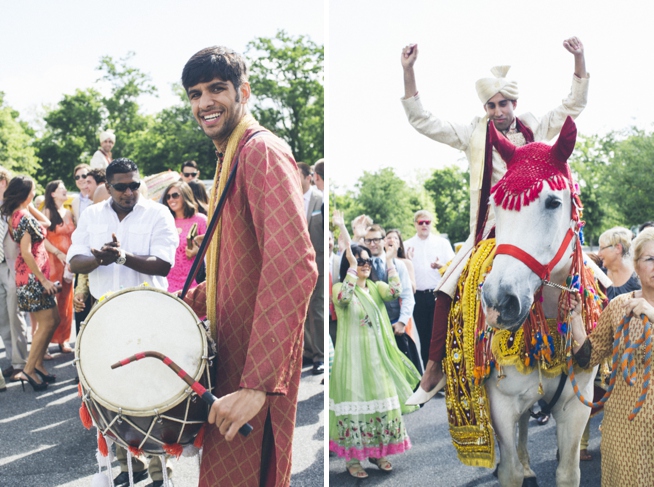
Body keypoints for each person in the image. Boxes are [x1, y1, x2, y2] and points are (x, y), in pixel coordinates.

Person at [401, 37, 590, 401]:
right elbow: (423, 120)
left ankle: (593, 353)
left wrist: (579, 59)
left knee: (587, 271)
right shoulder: (474, 133)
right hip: (490, 229)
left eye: (503, 103)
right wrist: (408, 72)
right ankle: (434, 367)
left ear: (514, 104)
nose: (497, 110)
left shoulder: (536, 125)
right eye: (490, 105)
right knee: (445, 290)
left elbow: (574, 104)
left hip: (539, 227)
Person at [179, 46, 317, 487]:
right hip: (231, 368)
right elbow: (235, 273)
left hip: (255, 378)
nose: (205, 103)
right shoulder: (229, 156)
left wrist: (257, 385)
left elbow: (294, 267)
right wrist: (170, 307)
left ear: (244, 92)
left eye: (217, 89)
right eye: (195, 94)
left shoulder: (261, 152)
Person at [68, 158, 178, 487]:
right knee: (110, 394)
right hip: (106, 317)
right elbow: (75, 261)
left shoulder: (158, 213)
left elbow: (164, 266)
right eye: (121, 186)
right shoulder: (91, 215)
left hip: (149, 315)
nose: (130, 191)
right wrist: (99, 258)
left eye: (135, 185)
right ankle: (129, 463)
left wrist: (122, 256)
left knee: (152, 394)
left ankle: (161, 470)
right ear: (109, 185)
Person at [330, 216, 420, 478]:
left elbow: (395, 291)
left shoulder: (375, 287)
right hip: (353, 360)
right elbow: (345, 298)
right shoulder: (340, 289)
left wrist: (390, 260)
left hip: (378, 358)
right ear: (350, 264)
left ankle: (378, 453)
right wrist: (350, 262)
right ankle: (353, 461)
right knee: (357, 402)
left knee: (380, 401)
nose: (366, 265)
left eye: (368, 260)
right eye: (360, 261)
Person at [569, 228, 654, 486]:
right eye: (650, 259)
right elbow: (588, 356)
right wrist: (574, 318)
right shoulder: (619, 306)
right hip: (623, 426)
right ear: (636, 265)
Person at [1, 176, 61, 391]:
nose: (35, 194)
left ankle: (37, 365)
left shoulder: (20, 214)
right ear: (25, 193)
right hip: (33, 279)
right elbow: (26, 253)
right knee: (46, 323)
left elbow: (46, 224)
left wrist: (28, 205)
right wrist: (44, 280)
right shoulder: (22, 218)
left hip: (32, 278)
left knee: (53, 320)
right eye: (32, 191)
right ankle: (28, 369)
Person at [365, 224, 421, 373]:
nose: (372, 244)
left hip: (396, 324)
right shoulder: (363, 266)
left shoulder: (399, 264)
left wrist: (402, 322)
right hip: (373, 328)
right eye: (368, 241)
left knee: (404, 371)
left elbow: (408, 296)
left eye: (376, 240)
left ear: (384, 240)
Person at [404, 210, 454, 369]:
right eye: (421, 222)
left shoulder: (442, 243)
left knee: (441, 335)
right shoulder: (407, 244)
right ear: (415, 224)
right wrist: (407, 260)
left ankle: (444, 372)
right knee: (424, 337)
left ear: (432, 223)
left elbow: (453, 267)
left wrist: (441, 266)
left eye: (427, 222)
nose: (424, 225)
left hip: (437, 295)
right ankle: (429, 374)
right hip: (418, 296)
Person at [0, 167, 28, 383]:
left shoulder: (15, 205)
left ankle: (22, 363)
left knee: (15, 313)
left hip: (11, 264)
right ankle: (11, 360)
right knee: (2, 316)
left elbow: (41, 225)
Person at [43, 180, 75, 354]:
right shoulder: (47, 212)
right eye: (61, 188)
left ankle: (64, 339)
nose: (65, 190)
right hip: (52, 261)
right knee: (51, 303)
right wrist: (57, 253)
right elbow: (41, 237)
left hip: (68, 263)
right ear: (53, 193)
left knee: (66, 301)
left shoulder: (69, 213)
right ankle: (45, 343)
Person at [298, 161, 324, 375]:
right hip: (298, 263)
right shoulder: (291, 199)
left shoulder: (320, 199)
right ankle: (307, 351)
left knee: (317, 308)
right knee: (302, 307)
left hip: (320, 260)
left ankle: (320, 355)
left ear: (309, 177)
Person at [160, 180, 207, 293]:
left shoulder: (200, 220)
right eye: (168, 197)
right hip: (168, 282)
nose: (171, 199)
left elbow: (212, 249)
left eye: (175, 195)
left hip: (193, 282)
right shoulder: (166, 221)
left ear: (185, 196)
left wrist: (197, 251)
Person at [598, 227, 641, 300]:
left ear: (618, 248)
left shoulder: (638, 277)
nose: (599, 254)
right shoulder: (598, 277)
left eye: (602, 248)